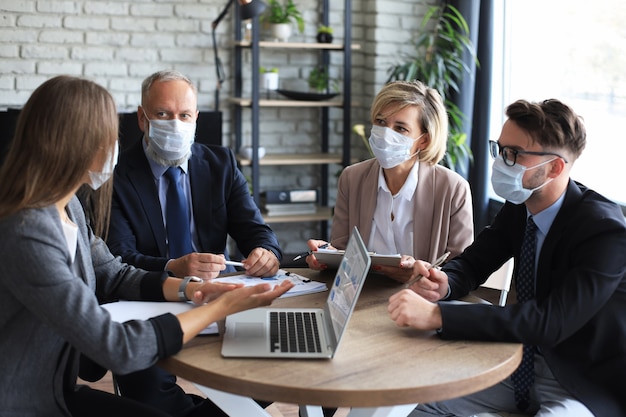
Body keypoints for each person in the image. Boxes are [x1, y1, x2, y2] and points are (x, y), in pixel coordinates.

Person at [0, 75, 293, 417]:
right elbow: (118, 346)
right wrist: (218, 307)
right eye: (110, 133)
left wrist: (195, 291)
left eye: (185, 115)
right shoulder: (28, 231)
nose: (115, 143)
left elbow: (112, 272)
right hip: (27, 402)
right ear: (78, 143)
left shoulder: (67, 207)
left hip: (55, 389)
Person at [388, 98, 626, 416]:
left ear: (554, 167)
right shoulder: (519, 207)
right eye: (499, 149)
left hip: (582, 380)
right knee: (412, 402)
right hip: (518, 363)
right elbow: (474, 262)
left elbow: (551, 322)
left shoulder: (604, 231)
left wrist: (438, 316)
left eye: (513, 153)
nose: (501, 162)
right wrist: (444, 284)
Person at [105, 69, 283, 416]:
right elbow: (118, 256)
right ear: (142, 118)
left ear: (196, 118)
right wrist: (173, 267)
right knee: (145, 386)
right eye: (163, 114)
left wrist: (267, 253)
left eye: (184, 115)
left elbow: (256, 230)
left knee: (279, 362)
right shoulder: (116, 173)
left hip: (219, 296)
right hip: (152, 302)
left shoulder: (221, 163)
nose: (176, 123)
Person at [306, 80, 474, 284]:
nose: (386, 133)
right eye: (381, 122)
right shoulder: (352, 178)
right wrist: (326, 256)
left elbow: (462, 270)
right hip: (362, 295)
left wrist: (419, 274)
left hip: (421, 300)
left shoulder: (453, 188)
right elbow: (342, 250)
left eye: (401, 128)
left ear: (424, 140)